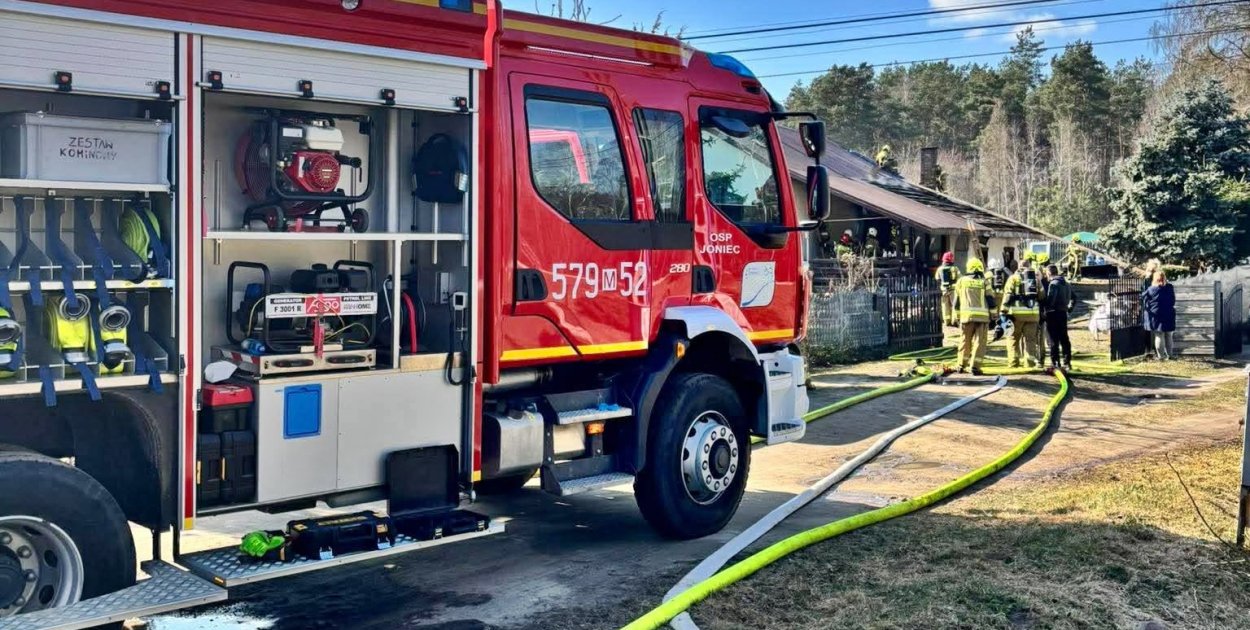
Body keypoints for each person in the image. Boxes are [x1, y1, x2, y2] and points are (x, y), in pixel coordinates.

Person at [952, 258, 997, 375]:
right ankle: (975, 367)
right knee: (979, 343)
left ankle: (961, 365)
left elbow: (956, 302)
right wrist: (994, 316)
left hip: (966, 317)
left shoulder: (961, 281)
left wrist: (956, 317)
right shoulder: (984, 282)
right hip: (982, 318)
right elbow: (991, 300)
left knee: (964, 341)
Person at [1001, 258, 1042, 367]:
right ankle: (1029, 363)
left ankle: (1014, 362)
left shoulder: (1013, 278)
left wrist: (1003, 312)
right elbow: (1042, 296)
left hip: (1016, 315)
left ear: (1019, 266)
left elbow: (1007, 296)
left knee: (1013, 338)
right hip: (1033, 316)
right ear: (1029, 266)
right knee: (1030, 340)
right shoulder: (1036, 280)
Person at [1041, 264, 1074, 370]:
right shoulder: (1067, 284)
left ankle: (1055, 363)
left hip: (1053, 314)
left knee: (1053, 339)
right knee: (1064, 338)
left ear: (1049, 273)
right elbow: (1074, 297)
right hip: (1063, 313)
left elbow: (1051, 299)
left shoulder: (1053, 284)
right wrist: (1069, 308)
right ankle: (1067, 362)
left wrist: (1045, 309)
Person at [1142, 270, 1177, 360]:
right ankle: (1170, 355)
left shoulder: (1151, 289)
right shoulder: (1169, 287)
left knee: (1159, 335)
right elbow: (1173, 300)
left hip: (1156, 315)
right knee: (1169, 334)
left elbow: (1143, 297)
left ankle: (1161, 356)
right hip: (1168, 312)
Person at [935, 251, 960, 327]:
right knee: (954, 305)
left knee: (945, 306)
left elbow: (937, 278)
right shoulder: (955, 268)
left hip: (944, 291)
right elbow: (960, 278)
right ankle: (955, 321)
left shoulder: (940, 269)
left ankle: (947, 321)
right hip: (953, 290)